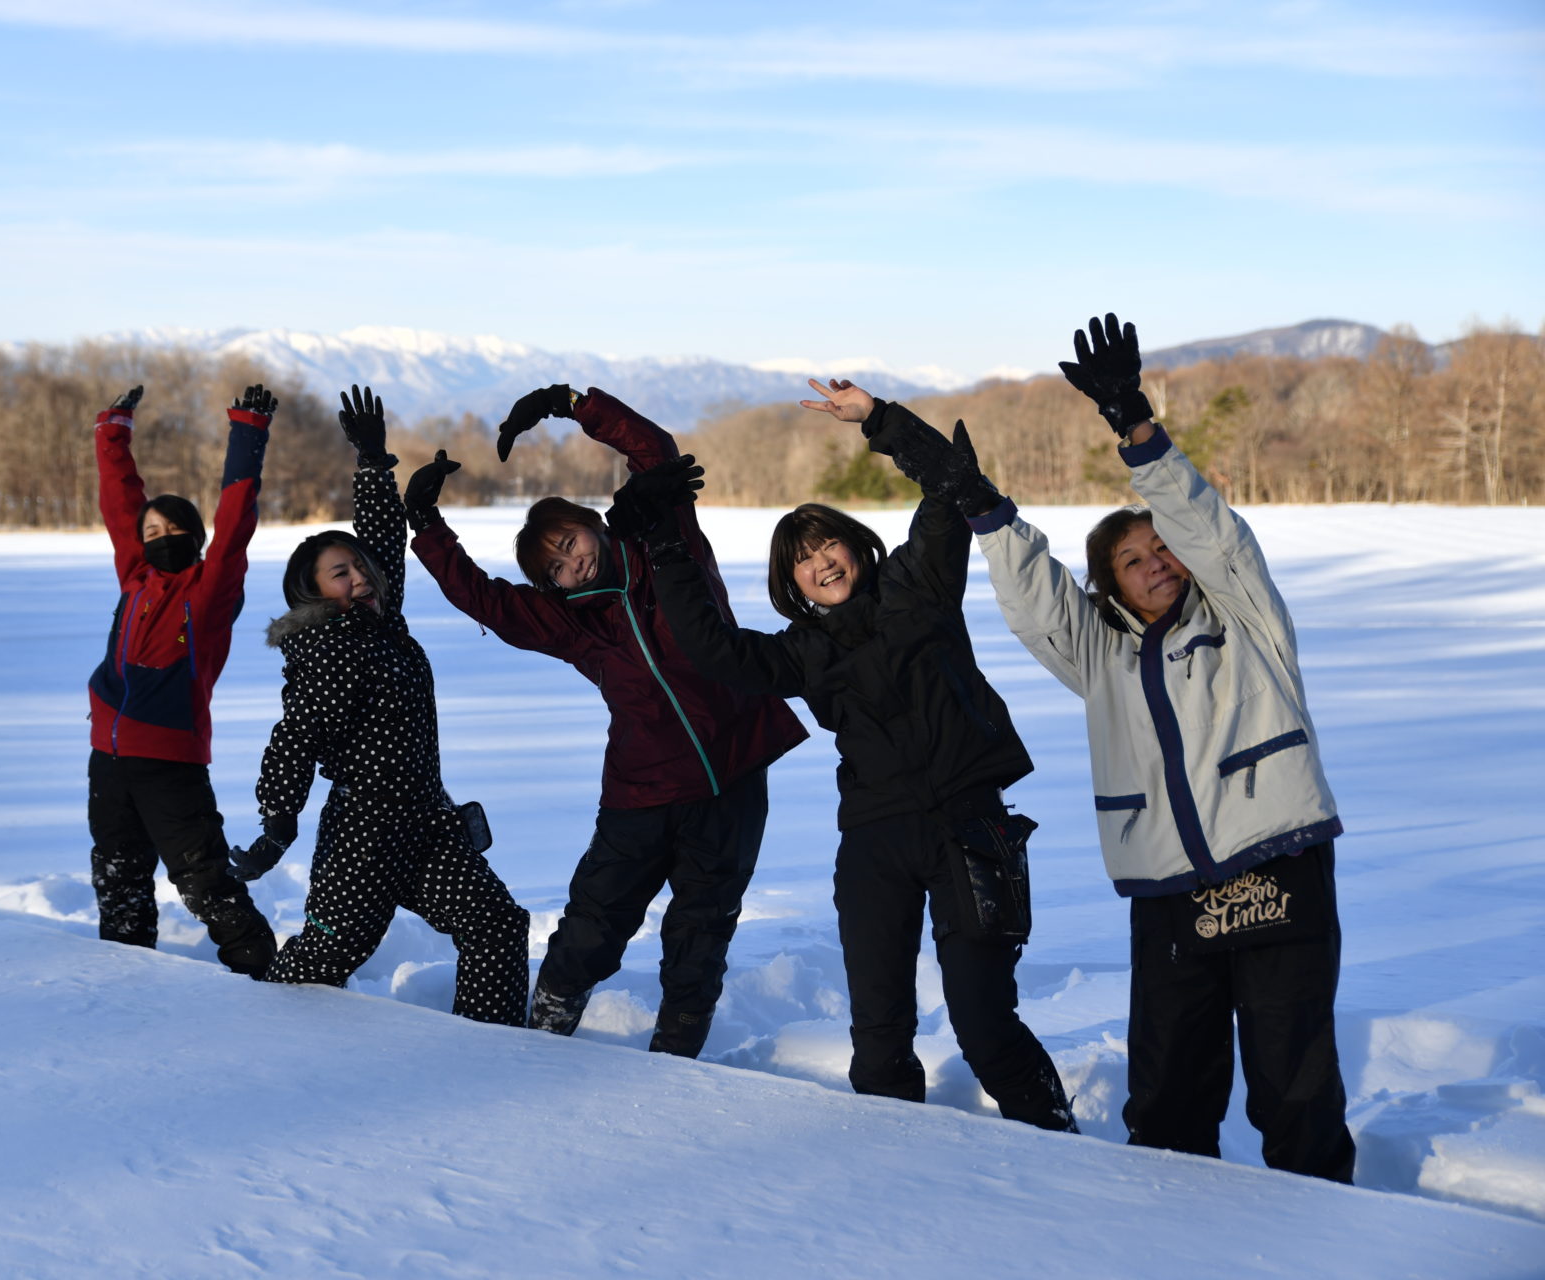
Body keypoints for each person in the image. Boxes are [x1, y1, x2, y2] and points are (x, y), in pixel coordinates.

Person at [891, 313, 1354, 1181]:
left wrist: (1136, 428)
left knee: (1292, 1081)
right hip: (1169, 886)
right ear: (1110, 586)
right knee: (1169, 1087)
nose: (1157, 562)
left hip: (1277, 864)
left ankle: (1320, 1218)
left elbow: (1215, 534)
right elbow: (1039, 602)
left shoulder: (1246, 619)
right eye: (1132, 559)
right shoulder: (1102, 656)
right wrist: (983, 507)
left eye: (1162, 547)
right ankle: (1165, 1229)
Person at [619, 388, 1076, 1130]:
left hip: (970, 828)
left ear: (854, 544)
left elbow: (949, 485)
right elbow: (712, 648)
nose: (820, 562)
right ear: (791, 584)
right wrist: (666, 548)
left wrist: (879, 419)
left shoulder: (921, 582)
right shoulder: (803, 652)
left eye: (825, 544)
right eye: (801, 560)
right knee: (879, 1037)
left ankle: (1059, 1142)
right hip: (873, 840)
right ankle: (892, 1165)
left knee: (985, 1024)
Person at [402, 384, 809, 1058]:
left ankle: (676, 1055)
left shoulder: (665, 544)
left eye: (570, 542)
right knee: (593, 924)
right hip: (642, 790)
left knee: (702, 931)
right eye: (556, 568)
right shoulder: (569, 621)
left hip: (733, 773)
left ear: (591, 523)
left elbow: (655, 451)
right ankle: (546, 1032)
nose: (574, 563)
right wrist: (426, 525)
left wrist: (570, 403)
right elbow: (485, 600)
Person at [238, 386, 529, 1026]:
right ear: (315, 595)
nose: (360, 578)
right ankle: (252, 1029)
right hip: (365, 836)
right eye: (340, 574)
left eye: (358, 568)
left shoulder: (381, 623)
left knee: (497, 924)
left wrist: (373, 462)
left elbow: (381, 542)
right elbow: (296, 735)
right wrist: (277, 825)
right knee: (326, 955)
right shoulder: (329, 648)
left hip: (425, 823)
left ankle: (496, 1047)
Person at [85, 383, 279, 977]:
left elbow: (235, 522)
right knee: (117, 876)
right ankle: (125, 978)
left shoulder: (207, 593)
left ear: (193, 538)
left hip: (170, 764)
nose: (157, 537)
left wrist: (248, 432)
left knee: (204, 882)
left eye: (172, 529)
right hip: (108, 757)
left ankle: (264, 979)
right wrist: (113, 431)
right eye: (150, 533)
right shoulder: (134, 580)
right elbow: (121, 503)